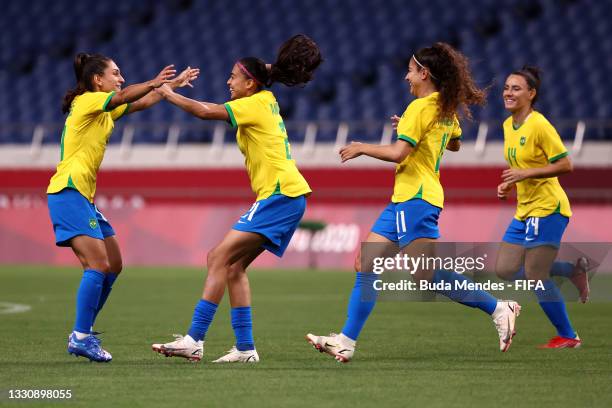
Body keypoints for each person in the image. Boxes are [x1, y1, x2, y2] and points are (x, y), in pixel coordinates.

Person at [306, 42, 521, 363]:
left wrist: (362, 147)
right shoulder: (442, 108)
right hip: (404, 201)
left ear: (424, 73)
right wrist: (415, 133)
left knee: (426, 275)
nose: (406, 77)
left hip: (416, 199)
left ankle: (498, 307)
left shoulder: (421, 109)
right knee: (365, 263)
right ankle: (346, 341)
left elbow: (399, 153)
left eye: (410, 70)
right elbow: (456, 142)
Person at [151, 34, 322, 363]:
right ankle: (245, 349)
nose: (228, 81)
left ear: (250, 83)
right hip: (287, 194)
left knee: (217, 257)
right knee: (233, 267)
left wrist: (168, 93)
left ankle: (194, 339)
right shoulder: (265, 98)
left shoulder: (253, 104)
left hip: (280, 194)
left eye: (234, 76)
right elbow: (262, 75)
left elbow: (204, 111)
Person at [48, 53, 198, 362]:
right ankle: (81, 336)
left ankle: (83, 330)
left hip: (84, 197)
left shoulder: (103, 112)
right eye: (115, 73)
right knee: (97, 265)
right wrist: (153, 81)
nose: (121, 78)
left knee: (113, 264)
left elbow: (141, 102)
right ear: (97, 80)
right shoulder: (87, 101)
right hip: (68, 191)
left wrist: (171, 85)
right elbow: (127, 95)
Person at [495, 65, 589, 349]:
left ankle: (569, 335)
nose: (509, 93)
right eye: (507, 87)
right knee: (505, 269)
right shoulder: (507, 126)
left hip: (548, 208)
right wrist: (510, 183)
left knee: (536, 274)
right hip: (525, 209)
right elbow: (521, 166)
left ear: (531, 94)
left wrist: (524, 174)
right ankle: (571, 270)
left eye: (516, 88)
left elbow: (565, 164)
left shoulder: (540, 125)